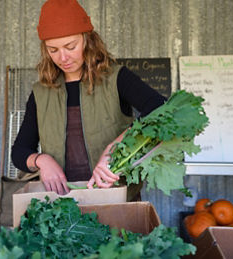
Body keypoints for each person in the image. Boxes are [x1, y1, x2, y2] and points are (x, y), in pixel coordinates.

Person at [11, 0, 166, 201]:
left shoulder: (117, 78)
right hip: (63, 206)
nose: (63, 57)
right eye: (53, 50)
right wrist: (42, 160)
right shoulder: (41, 92)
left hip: (116, 200)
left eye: (70, 46)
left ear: (87, 40)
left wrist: (115, 148)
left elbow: (160, 110)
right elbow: (19, 151)